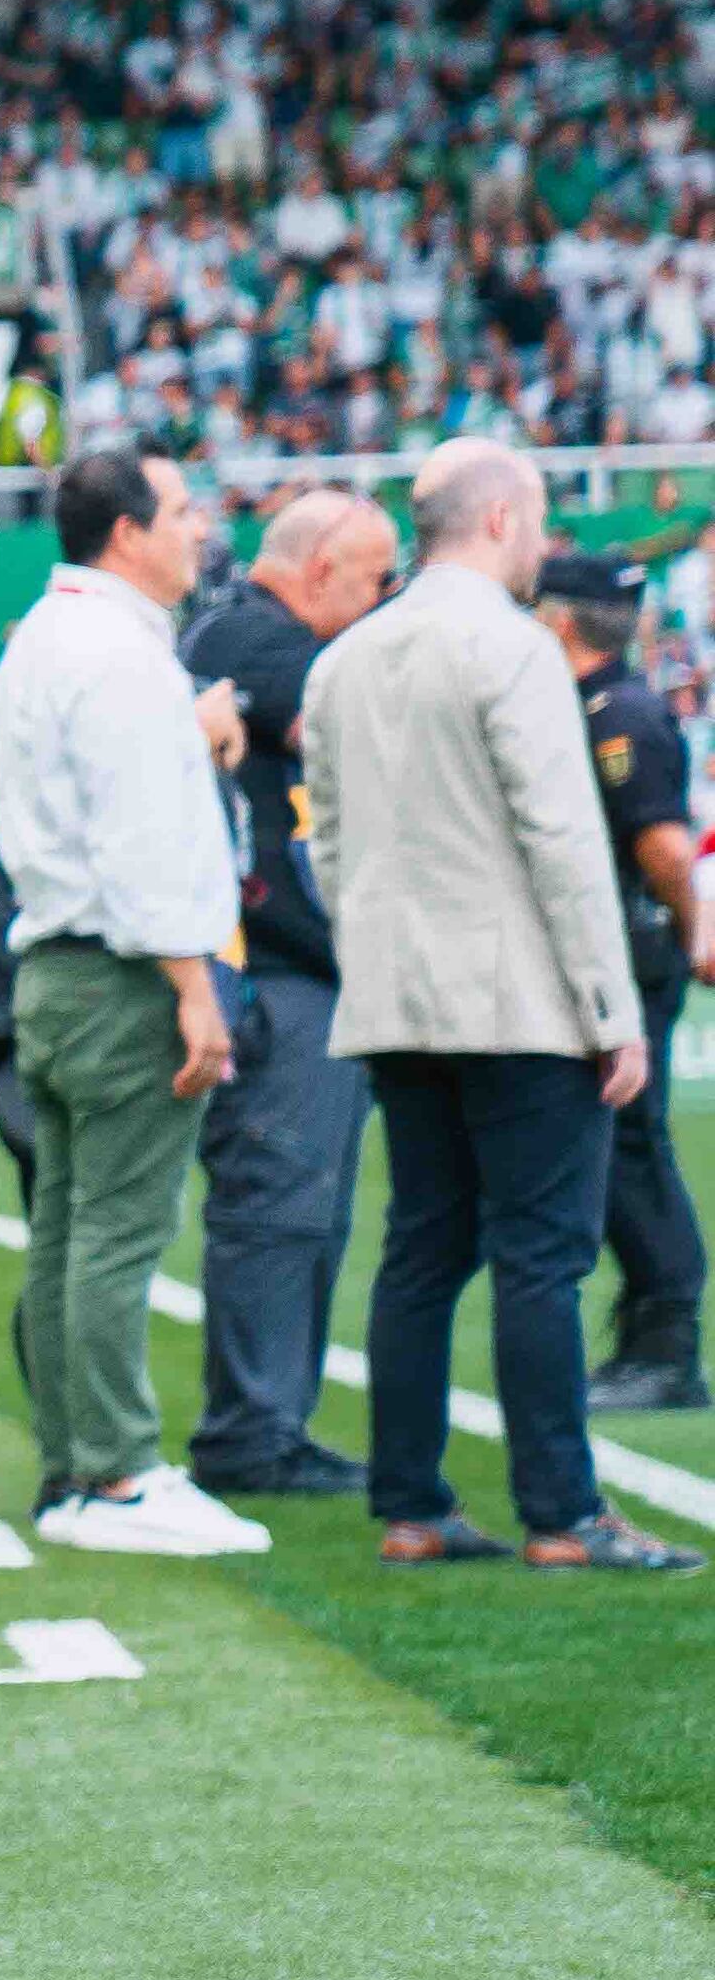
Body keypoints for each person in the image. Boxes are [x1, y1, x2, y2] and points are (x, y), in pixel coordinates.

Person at [303, 439, 698, 1573]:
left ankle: (412, 1506)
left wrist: (371, 948)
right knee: (541, 1255)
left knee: (420, 1248)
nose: (537, 545)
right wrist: (608, 1007)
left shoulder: (344, 657)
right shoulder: (513, 652)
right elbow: (561, 840)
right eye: (529, 522)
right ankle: (560, 1512)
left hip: (396, 996)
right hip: (515, 998)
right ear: (495, 522)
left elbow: (325, 840)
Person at [0, 448, 263, 1555]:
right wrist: (193, 989)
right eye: (182, 511)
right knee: (116, 1231)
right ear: (124, 533)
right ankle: (113, 1472)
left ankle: (72, 1467)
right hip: (121, 974)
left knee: (64, 1230)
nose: (198, 529)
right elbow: (139, 841)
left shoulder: (51, 633)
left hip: (56, 966)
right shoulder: (113, 653)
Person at [178, 485, 393, 1498]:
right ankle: (249, 1432)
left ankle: (272, 1424)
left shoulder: (247, 636)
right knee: (276, 1205)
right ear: (316, 572)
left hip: (299, 972)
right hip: (272, 975)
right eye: (371, 578)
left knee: (302, 1210)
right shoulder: (246, 639)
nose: (383, 599)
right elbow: (350, 719)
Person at [541, 551, 709, 1415]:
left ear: (558, 619)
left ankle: (666, 1339)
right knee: (615, 1141)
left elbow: (665, 846)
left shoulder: (620, 713)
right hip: (610, 947)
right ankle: (653, 1328)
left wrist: (696, 928)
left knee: (627, 1142)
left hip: (631, 949)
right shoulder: (596, 703)